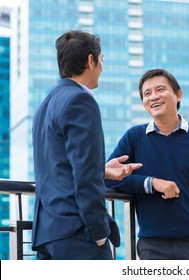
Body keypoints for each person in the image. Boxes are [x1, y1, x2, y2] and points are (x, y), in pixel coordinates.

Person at [32, 30, 141, 260]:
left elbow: (58, 166)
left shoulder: (46, 104)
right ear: (90, 60)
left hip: (48, 232)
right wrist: (98, 232)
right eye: (101, 59)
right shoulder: (80, 100)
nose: (102, 66)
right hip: (77, 233)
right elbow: (84, 175)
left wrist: (100, 169)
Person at [105, 68, 189, 260]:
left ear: (178, 95)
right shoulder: (134, 137)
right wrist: (151, 183)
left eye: (160, 90)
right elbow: (107, 178)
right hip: (152, 247)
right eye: (147, 93)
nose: (153, 97)